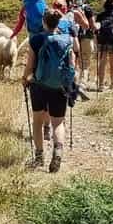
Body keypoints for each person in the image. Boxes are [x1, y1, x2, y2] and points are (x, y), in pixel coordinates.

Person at [24, 9, 80, 172]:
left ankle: (39, 157)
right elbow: (72, 62)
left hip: (39, 85)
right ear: (58, 23)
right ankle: (58, 151)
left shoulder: (36, 39)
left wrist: (24, 78)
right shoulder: (67, 39)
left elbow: (30, 64)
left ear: (43, 22)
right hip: (59, 87)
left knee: (37, 121)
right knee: (58, 122)